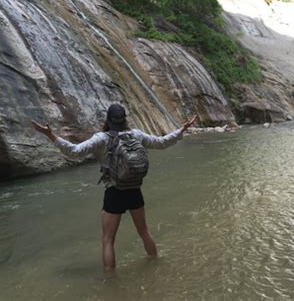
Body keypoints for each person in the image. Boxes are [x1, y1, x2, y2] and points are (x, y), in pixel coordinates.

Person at [32, 103, 196, 270]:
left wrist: (50, 134)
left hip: (114, 192)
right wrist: (181, 130)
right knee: (144, 231)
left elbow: (74, 151)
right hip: (134, 189)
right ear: (125, 119)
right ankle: (155, 264)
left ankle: (111, 281)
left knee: (108, 239)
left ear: (108, 120)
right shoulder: (136, 135)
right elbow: (162, 142)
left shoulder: (101, 138)